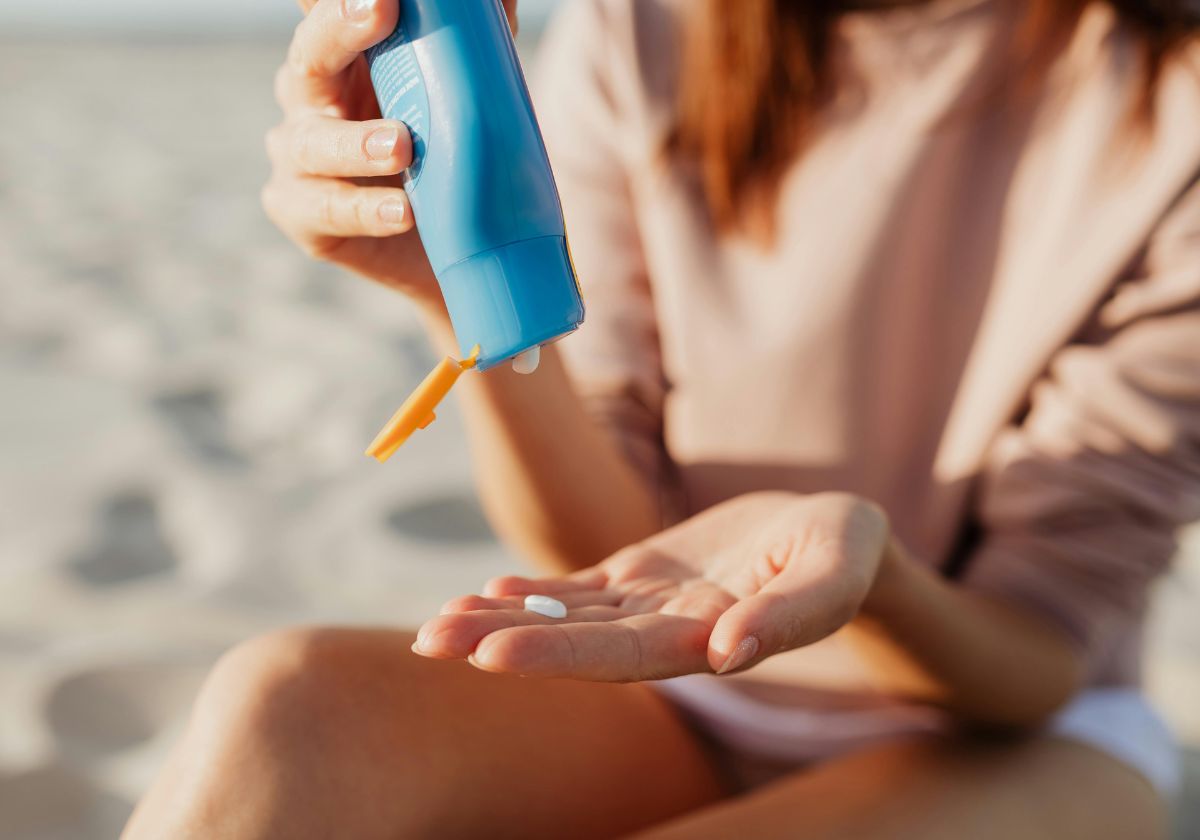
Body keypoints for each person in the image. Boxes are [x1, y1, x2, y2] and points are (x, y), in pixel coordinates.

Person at [124, 0, 1200, 836]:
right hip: (677, 687)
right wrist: (457, 285)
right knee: (286, 708)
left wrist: (875, 580)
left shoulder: (1173, 103)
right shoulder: (641, 28)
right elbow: (604, 547)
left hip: (1016, 733)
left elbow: (1034, 662)